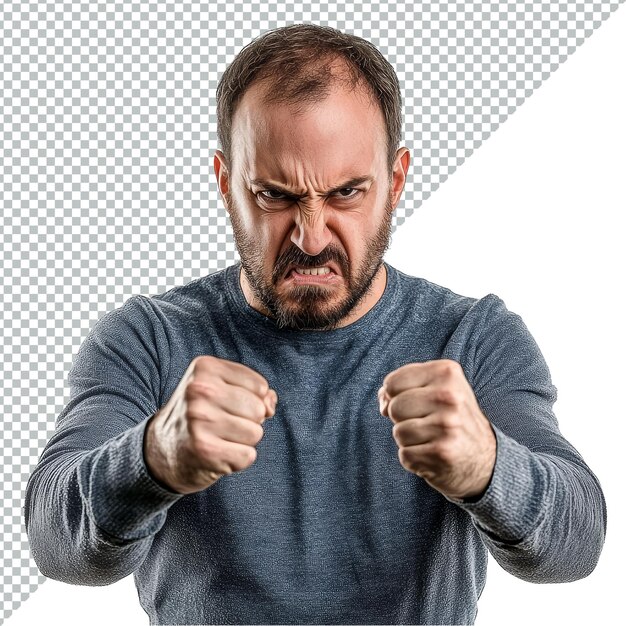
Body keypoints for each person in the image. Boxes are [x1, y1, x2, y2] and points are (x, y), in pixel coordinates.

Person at [24, 23, 607, 625]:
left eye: (346, 193)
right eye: (275, 196)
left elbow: (577, 543)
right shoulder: (149, 338)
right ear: (227, 186)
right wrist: (151, 460)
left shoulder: (472, 338)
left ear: (395, 182)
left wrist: (488, 467)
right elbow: (52, 541)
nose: (311, 237)